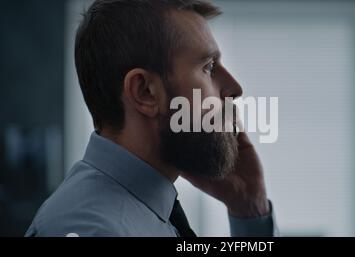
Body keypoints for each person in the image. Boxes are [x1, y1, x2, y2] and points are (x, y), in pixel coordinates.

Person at [25, 0, 278, 237]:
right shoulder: (94, 228)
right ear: (145, 92)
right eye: (208, 67)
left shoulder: (144, 211)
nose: (235, 88)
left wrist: (250, 207)